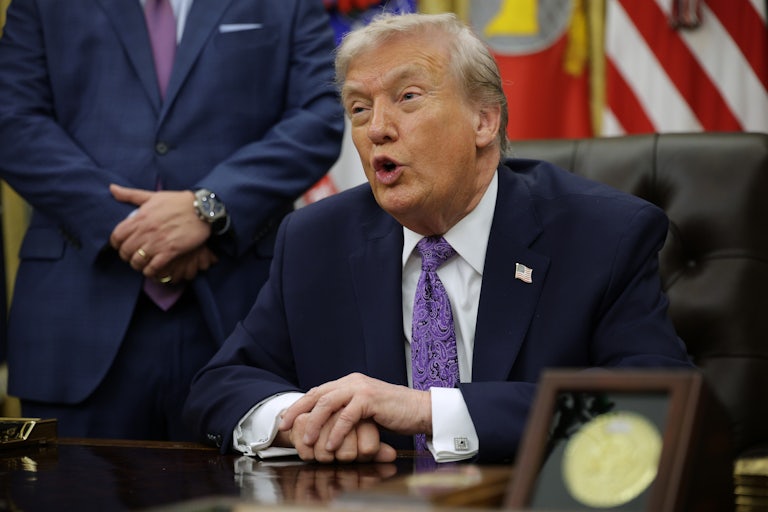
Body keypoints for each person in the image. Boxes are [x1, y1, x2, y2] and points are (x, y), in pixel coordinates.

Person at [183, 12, 694, 463]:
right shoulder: (316, 240)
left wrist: (429, 410)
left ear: (484, 120)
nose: (377, 128)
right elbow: (221, 385)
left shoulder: (601, 235)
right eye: (359, 109)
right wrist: (302, 420)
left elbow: (654, 401)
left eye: (407, 97)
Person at [0, 0, 343, 440]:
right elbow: (12, 120)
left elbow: (321, 112)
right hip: (77, 315)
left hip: (241, 310)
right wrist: (135, 226)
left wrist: (209, 208)